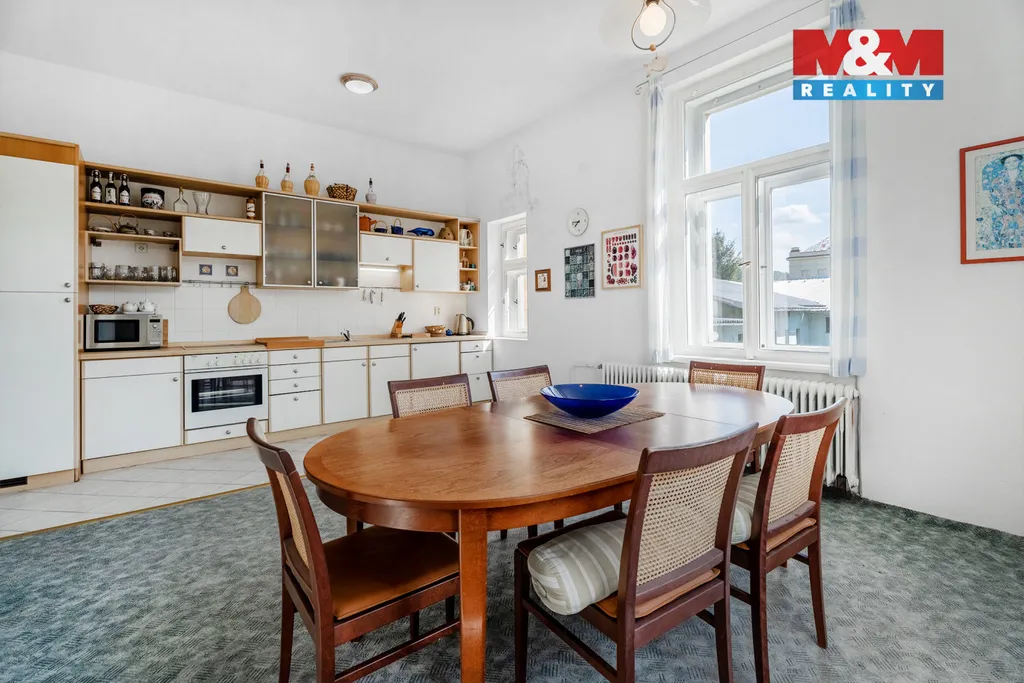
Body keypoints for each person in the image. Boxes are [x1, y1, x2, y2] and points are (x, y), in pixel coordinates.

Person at [981, 153, 1024, 249]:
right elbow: (991, 194)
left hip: (1021, 210)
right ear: (1004, 164)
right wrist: (995, 207)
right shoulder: (997, 180)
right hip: (1003, 211)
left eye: (1015, 161)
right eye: (1008, 162)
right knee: (1003, 235)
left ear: (1019, 161)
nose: (1012, 164)